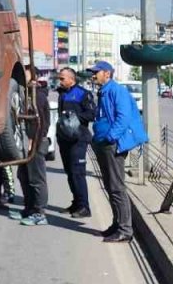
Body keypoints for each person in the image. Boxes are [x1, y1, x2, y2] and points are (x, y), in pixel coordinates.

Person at [89, 60, 147, 243]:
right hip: (104, 143)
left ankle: (125, 230)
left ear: (107, 73)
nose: (93, 75)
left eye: (96, 72)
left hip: (113, 144)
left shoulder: (117, 91)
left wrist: (110, 137)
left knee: (116, 187)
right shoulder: (104, 91)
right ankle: (116, 225)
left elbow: (123, 117)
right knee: (109, 186)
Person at [10, 65, 51, 226]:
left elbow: (41, 124)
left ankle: (40, 212)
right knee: (24, 176)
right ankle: (29, 208)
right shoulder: (25, 95)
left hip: (35, 143)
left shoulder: (38, 96)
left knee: (36, 178)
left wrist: (34, 142)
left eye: (25, 74)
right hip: (26, 143)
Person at [55, 67, 96, 218]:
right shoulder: (62, 93)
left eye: (62, 78)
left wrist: (75, 117)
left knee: (77, 173)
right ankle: (76, 203)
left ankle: (84, 207)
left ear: (71, 79)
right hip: (64, 138)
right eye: (59, 78)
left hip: (78, 139)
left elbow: (92, 114)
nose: (60, 81)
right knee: (70, 173)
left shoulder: (82, 94)